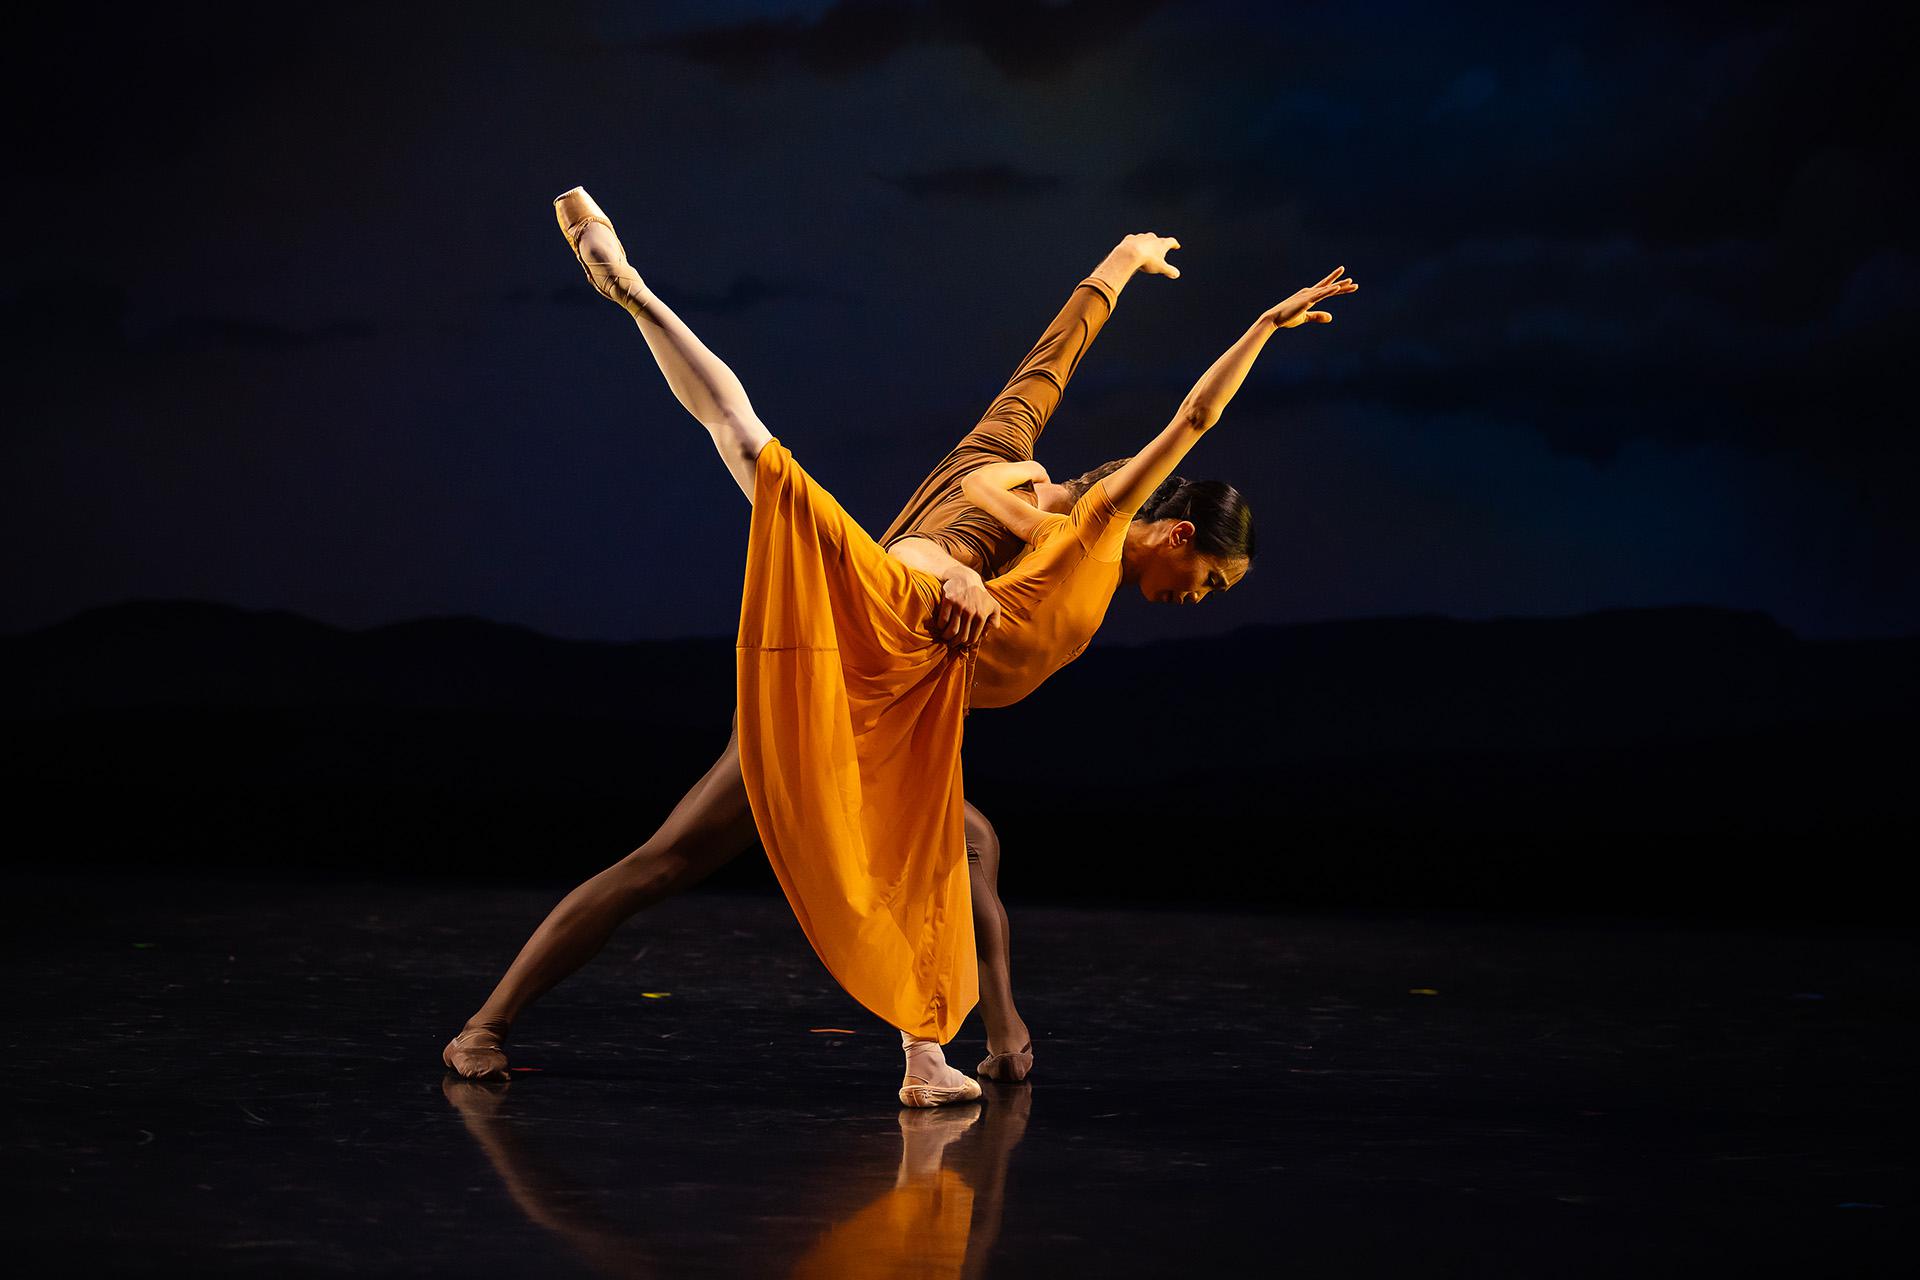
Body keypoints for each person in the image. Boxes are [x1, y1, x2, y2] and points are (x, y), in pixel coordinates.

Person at [514, 188, 1353, 1108]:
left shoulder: (1026, 494)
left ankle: (953, 1048)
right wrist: (1262, 327)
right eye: (1211, 581)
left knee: (960, 848)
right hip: (879, 649)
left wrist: (1119, 263)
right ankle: (632, 289)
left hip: (906, 706)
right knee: (756, 461)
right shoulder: (1093, 528)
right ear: (1178, 533)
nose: (1199, 599)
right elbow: (1183, 423)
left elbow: (1047, 365)